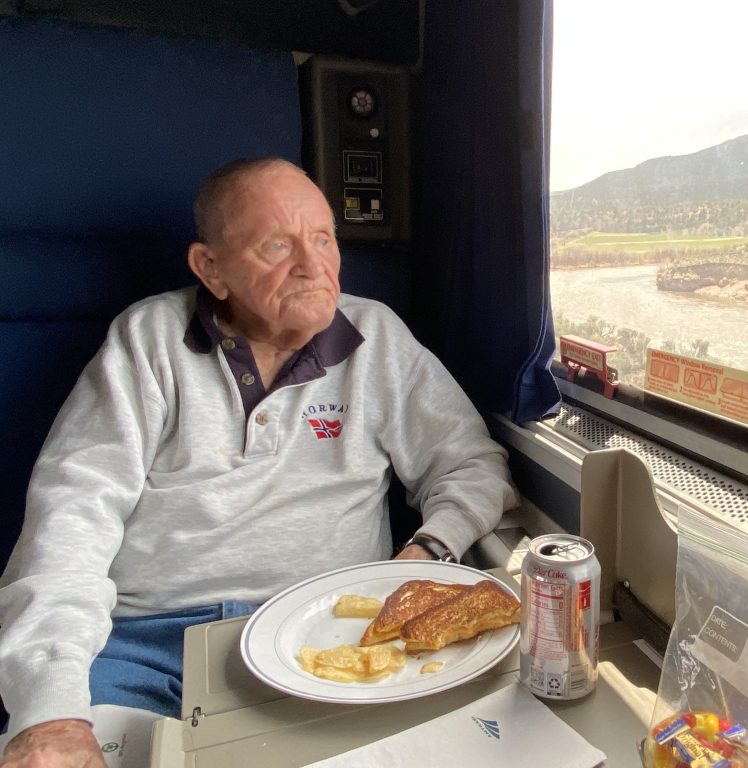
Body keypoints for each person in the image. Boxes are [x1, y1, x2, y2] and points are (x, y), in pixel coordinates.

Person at [0, 157, 518, 766]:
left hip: (328, 637)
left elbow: (472, 465)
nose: (313, 264)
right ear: (211, 268)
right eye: (278, 245)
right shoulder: (147, 341)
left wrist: (426, 553)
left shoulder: (376, 338)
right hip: (144, 647)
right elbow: (70, 520)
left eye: (323, 238)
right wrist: (51, 711)